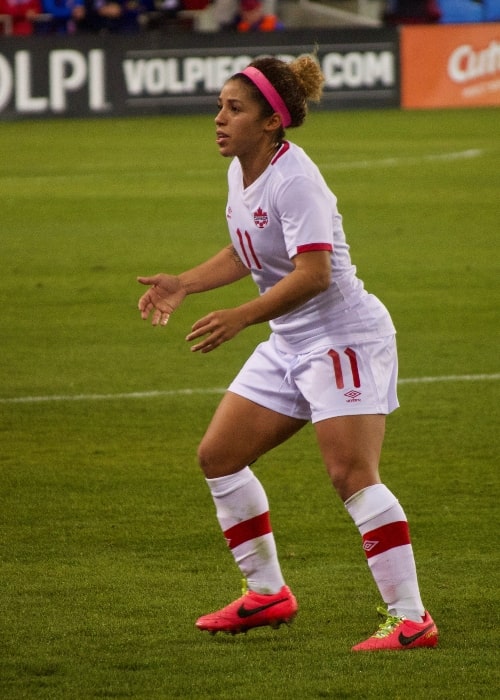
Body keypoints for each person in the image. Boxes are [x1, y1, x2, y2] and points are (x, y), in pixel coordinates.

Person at [137, 54, 439, 651]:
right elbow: (246, 248)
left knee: (351, 474)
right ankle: (267, 594)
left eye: (234, 108)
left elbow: (315, 274)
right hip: (292, 339)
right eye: (220, 106)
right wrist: (186, 283)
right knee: (219, 456)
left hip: (342, 337)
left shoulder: (296, 178)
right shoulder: (243, 171)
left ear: (271, 122)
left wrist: (241, 316)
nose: (218, 118)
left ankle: (410, 619)